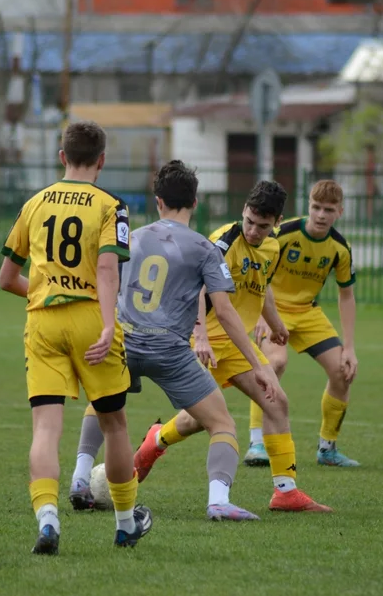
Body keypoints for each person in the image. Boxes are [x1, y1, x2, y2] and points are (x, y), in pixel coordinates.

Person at [67, 160, 284, 521]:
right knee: (222, 424)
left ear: (157, 202)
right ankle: (218, 500)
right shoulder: (205, 248)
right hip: (169, 350)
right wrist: (259, 364)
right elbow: (227, 313)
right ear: (195, 202)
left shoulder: (132, 239)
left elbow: (104, 285)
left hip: (126, 341)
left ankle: (78, 478)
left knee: (104, 404)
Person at [0, 121, 152, 555]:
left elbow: (7, 278)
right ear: (102, 160)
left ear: (62, 157)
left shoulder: (34, 204)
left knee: (45, 428)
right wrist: (106, 324)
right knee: (114, 424)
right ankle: (125, 525)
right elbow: (108, 270)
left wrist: (48, 292)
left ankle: (48, 519)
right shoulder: (111, 205)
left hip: (43, 321)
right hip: (89, 319)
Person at [135, 180, 332, 513]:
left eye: (263, 226)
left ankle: (285, 491)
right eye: (250, 221)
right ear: (243, 210)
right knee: (202, 420)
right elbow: (197, 287)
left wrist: (276, 322)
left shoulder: (273, 247)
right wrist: (199, 336)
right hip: (211, 340)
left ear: (277, 223)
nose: (254, 231)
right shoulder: (223, 241)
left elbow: (262, 286)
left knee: (275, 401)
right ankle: (154, 442)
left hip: (238, 342)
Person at [245, 179, 360, 468]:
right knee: (275, 364)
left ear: (340, 212)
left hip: (307, 312)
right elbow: (258, 272)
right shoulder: (283, 233)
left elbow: (346, 296)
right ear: (308, 206)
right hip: (272, 307)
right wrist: (261, 316)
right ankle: (257, 442)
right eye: (316, 207)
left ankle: (327, 448)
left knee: (342, 371)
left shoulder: (339, 248)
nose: (321, 215)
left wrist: (349, 348)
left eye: (329, 209)